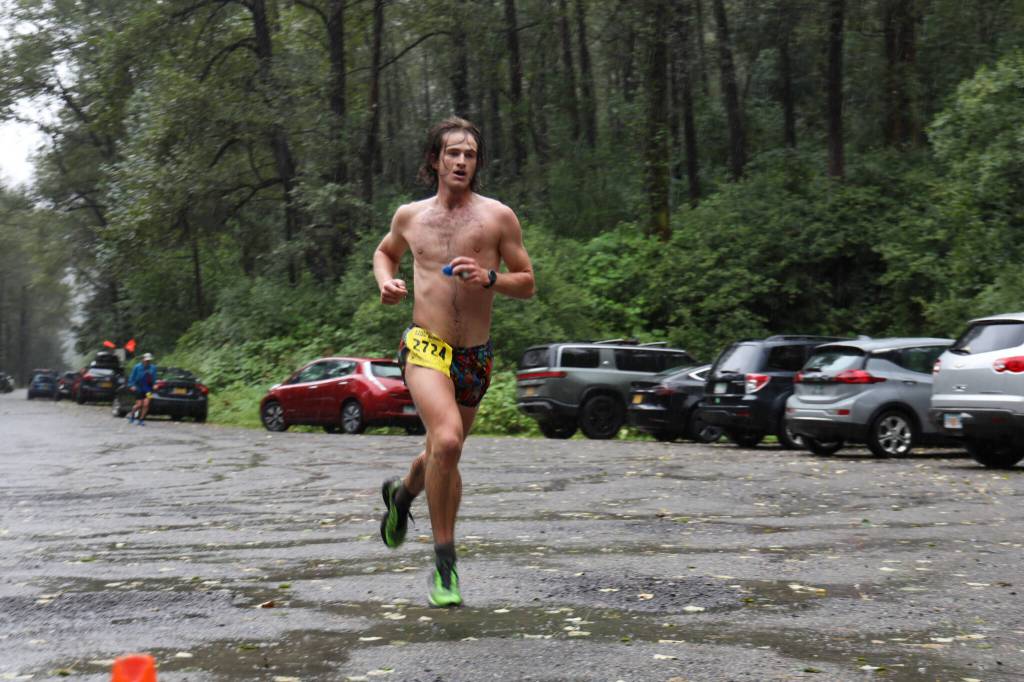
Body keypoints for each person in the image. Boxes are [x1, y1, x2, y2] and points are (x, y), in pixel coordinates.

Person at [373, 116, 535, 607]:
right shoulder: (410, 217)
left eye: (469, 154)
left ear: (476, 163)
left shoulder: (497, 218)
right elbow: (385, 253)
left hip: (475, 357)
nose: (461, 161)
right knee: (446, 440)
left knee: (443, 452)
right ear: (435, 161)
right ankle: (446, 567)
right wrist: (386, 281)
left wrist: (490, 278)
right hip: (425, 346)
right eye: (452, 153)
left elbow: (526, 282)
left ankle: (402, 496)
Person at [127, 353, 158, 426]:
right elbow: (132, 377)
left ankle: (141, 419)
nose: (147, 362)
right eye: (146, 360)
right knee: (139, 405)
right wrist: (131, 385)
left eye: (149, 360)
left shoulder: (153, 368)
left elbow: (154, 378)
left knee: (146, 404)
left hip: (148, 389)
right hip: (139, 388)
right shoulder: (137, 367)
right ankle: (132, 415)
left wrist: (155, 385)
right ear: (142, 359)